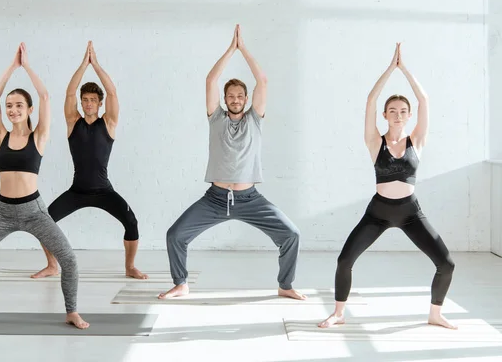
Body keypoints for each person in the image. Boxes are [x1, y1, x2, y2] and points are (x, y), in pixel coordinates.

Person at [159, 25, 304, 300]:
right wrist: (230, 50)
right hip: (215, 199)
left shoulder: (254, 119)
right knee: (175, 235)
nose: (235, 100)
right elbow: (210, 81)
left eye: (240, 96)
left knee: (291, 235)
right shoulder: (216, 119)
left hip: (250, 199)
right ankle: (181, 283)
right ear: (225, 100)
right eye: (231, 96)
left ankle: (285, 285)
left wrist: (243, 49)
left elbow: (262, 80)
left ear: (246, 99)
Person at [318, 43, 456, 330]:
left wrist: (404, 69)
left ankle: (435, 313)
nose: (397, 114)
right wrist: (389, 69)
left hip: (410, 212)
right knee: (345, 260)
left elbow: (425, 100)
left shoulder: (416, 141)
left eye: (403, 111)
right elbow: (370, 99)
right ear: (385, 115)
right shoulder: (374, 141)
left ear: (409, 116)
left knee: (446, 263)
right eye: (392, 110)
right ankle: (339, 312)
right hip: (378, 213)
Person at [0, 43, 89, 329]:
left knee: (69, 259)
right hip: (3, 213)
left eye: (18, 106)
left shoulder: (38, 137)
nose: (12, 110)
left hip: (34, 211)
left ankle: (72, 311)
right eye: (9, 106)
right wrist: (12, 68)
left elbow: (46, 95)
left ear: (29, 110)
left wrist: (27, 67)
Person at [30, 41, 147, 280]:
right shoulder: (73, 122)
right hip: (78, 191)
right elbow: (69, 93)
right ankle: (52, 265)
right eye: (85, 99)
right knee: (43, 222)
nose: (88, 103)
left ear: (100, 103)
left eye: (93, 100)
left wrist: (98, 65)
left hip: (104, 190)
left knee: (131, 222)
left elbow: (113, 92)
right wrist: (84, 65)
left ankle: (129, 267)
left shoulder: (109, 123)